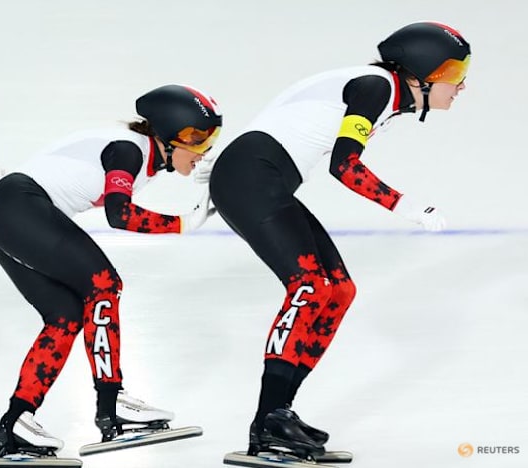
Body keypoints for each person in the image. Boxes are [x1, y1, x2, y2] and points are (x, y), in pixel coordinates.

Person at [200, 22, 471, 457]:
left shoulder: (381, 91)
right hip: (250, 178)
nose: (461, 85)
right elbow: (344, 166)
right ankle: (269, 421)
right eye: (455, 72)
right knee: (308, 286)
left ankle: (278, 413)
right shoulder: (377, 86)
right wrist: (409, 207)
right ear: (423, 71)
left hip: (258, 178)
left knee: (338, 290)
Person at [0, 84, 222, 457]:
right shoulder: (129, 149)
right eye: (198, 139)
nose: (204, 150)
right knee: (104, 286)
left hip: (7, 212)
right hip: (19, 206)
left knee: (64, 317)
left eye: (210, 140)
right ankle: (112, 405)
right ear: (170, 135)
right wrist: (183, 223)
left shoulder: (145, 155)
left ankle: (16, 423)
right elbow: (119, 212)